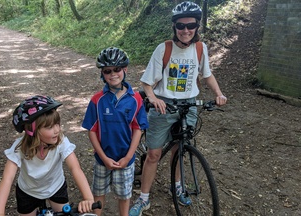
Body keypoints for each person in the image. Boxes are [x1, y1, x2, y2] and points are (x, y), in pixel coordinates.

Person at [129, 2, 227, 216]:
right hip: (164, 106)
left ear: (197, 26)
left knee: (179, 149)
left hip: (189, 105)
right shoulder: (164, 49)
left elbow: (207, 74)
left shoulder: (200, 48)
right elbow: (147, 83)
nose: (185, 30)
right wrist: (154, 98)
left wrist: (218, 94)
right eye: (180, 26)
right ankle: (144, 198)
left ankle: (178, 187)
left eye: (190, 25)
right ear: (174, 27)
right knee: (154, 154)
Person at [0, 95, 94, 216]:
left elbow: (75, 168)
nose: (57, 130)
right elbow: (7, 179)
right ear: (33, 131)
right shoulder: (19, 148)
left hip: (56, 186)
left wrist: (88, 198)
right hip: (28, 191)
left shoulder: (61, 141)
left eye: (57, 124)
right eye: (50, 127)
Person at [82, 47, 149, 216]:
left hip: (125, 159)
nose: (113, 74)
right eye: (107, 71)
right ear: (102, 74)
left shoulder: (136, 99)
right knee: (99, 193)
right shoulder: (97, 100)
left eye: (117, 69)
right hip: (102, 158)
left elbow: (138, 129)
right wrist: (104, 158)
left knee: (124, 195)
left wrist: (128, 157)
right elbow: (91, 130)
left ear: (125, 70)